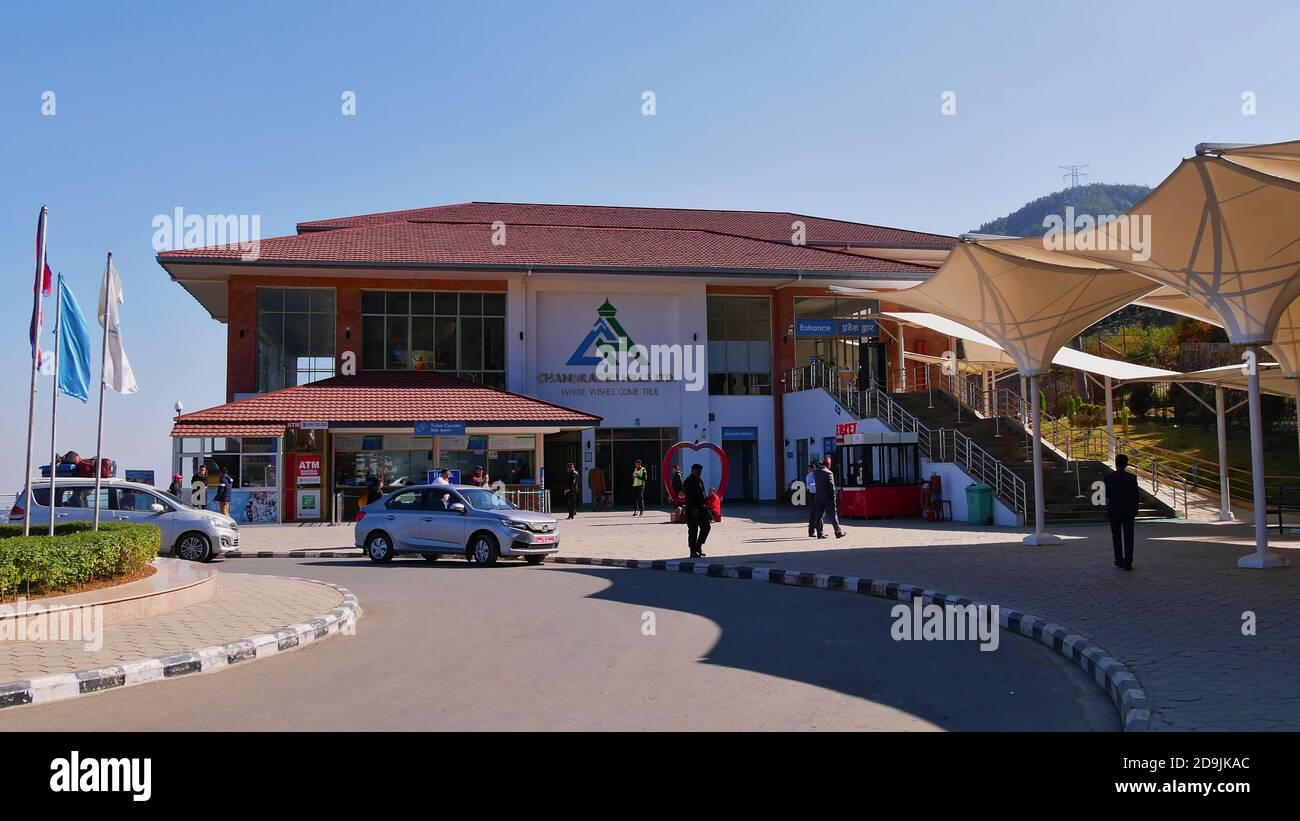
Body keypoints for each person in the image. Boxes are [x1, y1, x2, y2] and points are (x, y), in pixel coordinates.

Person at [1104, 454, 1140, 570]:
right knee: (1129, 536)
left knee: (1116, 536)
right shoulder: (1132, 478)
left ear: (1116, 463)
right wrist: (1135, 510)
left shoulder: (1109, 477)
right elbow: (1136, 496)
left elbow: (1107, 495)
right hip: (1128, 510)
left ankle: (1119, 560)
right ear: (1126, 464)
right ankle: (1128, 562)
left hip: (1114, 510)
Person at [813, 456, 845, 539]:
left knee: (818, 516)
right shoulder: (829, 473)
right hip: (828, 498)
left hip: (818, 497)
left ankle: (819, 533)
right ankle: (838, 532)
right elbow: (832, 487)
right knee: (833, 515)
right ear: (828, 464)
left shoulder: (815, 472)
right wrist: (834, 497)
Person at [683, 463, 710, 558]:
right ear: (693, 471)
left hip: (702, 508)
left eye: (700, 471)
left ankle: (698, 545)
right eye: (698, 471)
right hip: (692, 509)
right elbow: (689, 497)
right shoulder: (688, 481)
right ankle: (692, 551)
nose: (700, 473)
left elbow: (702, 493)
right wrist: (694, 509)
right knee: (693, 530)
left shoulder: (700, 481)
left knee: (706, 527)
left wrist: (707, 499)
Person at [805, 459, 819, 537]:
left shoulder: (817, 474)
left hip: (818, 494)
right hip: (812, 494)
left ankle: (820, 531)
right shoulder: (809, 475)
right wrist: (816, 485)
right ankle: (811, 531)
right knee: (813, 513)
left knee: (820, 513)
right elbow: (809, 485)